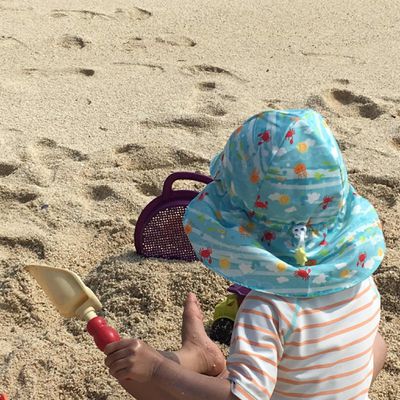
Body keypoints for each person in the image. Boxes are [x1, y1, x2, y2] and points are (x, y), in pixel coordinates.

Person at [105, 109, 387, 399]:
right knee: (371, 346)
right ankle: (203, 355)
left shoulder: (267, 310)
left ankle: (190, 359)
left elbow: (242, 396)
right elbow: (375, 348)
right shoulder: (363, 284)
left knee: (146, 382)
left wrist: (157, 370)